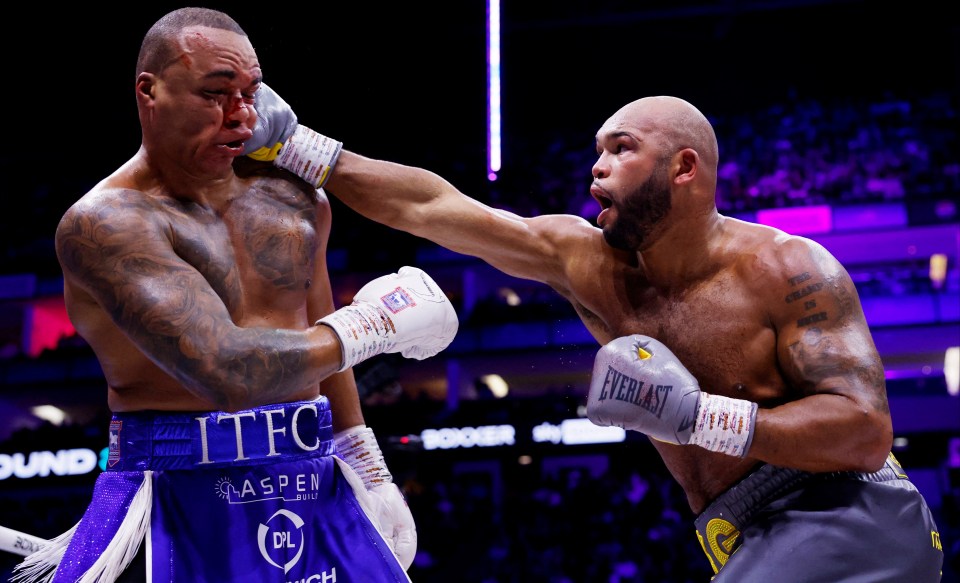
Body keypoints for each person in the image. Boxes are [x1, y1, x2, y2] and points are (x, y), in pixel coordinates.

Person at [248, 85, 945, 580]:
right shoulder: (585, 263)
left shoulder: (787, 267)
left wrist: (700, 415)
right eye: (596, 151)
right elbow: (434, 207)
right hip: (739, 533)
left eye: (621, 148)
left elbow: (864, 430)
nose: (597, 167)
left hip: (848, 512)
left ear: (684, 168)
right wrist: (299, 146)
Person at [13, 8, 458, 583]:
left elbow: (315, 320)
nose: (242, 114)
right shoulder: (107, 223)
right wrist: (374, 325)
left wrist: (365, 462)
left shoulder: (294, 201)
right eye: (215, 93)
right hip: (173, 492)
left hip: (313, 473)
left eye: (251, 92)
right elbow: (226, 369)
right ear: (149, 92)